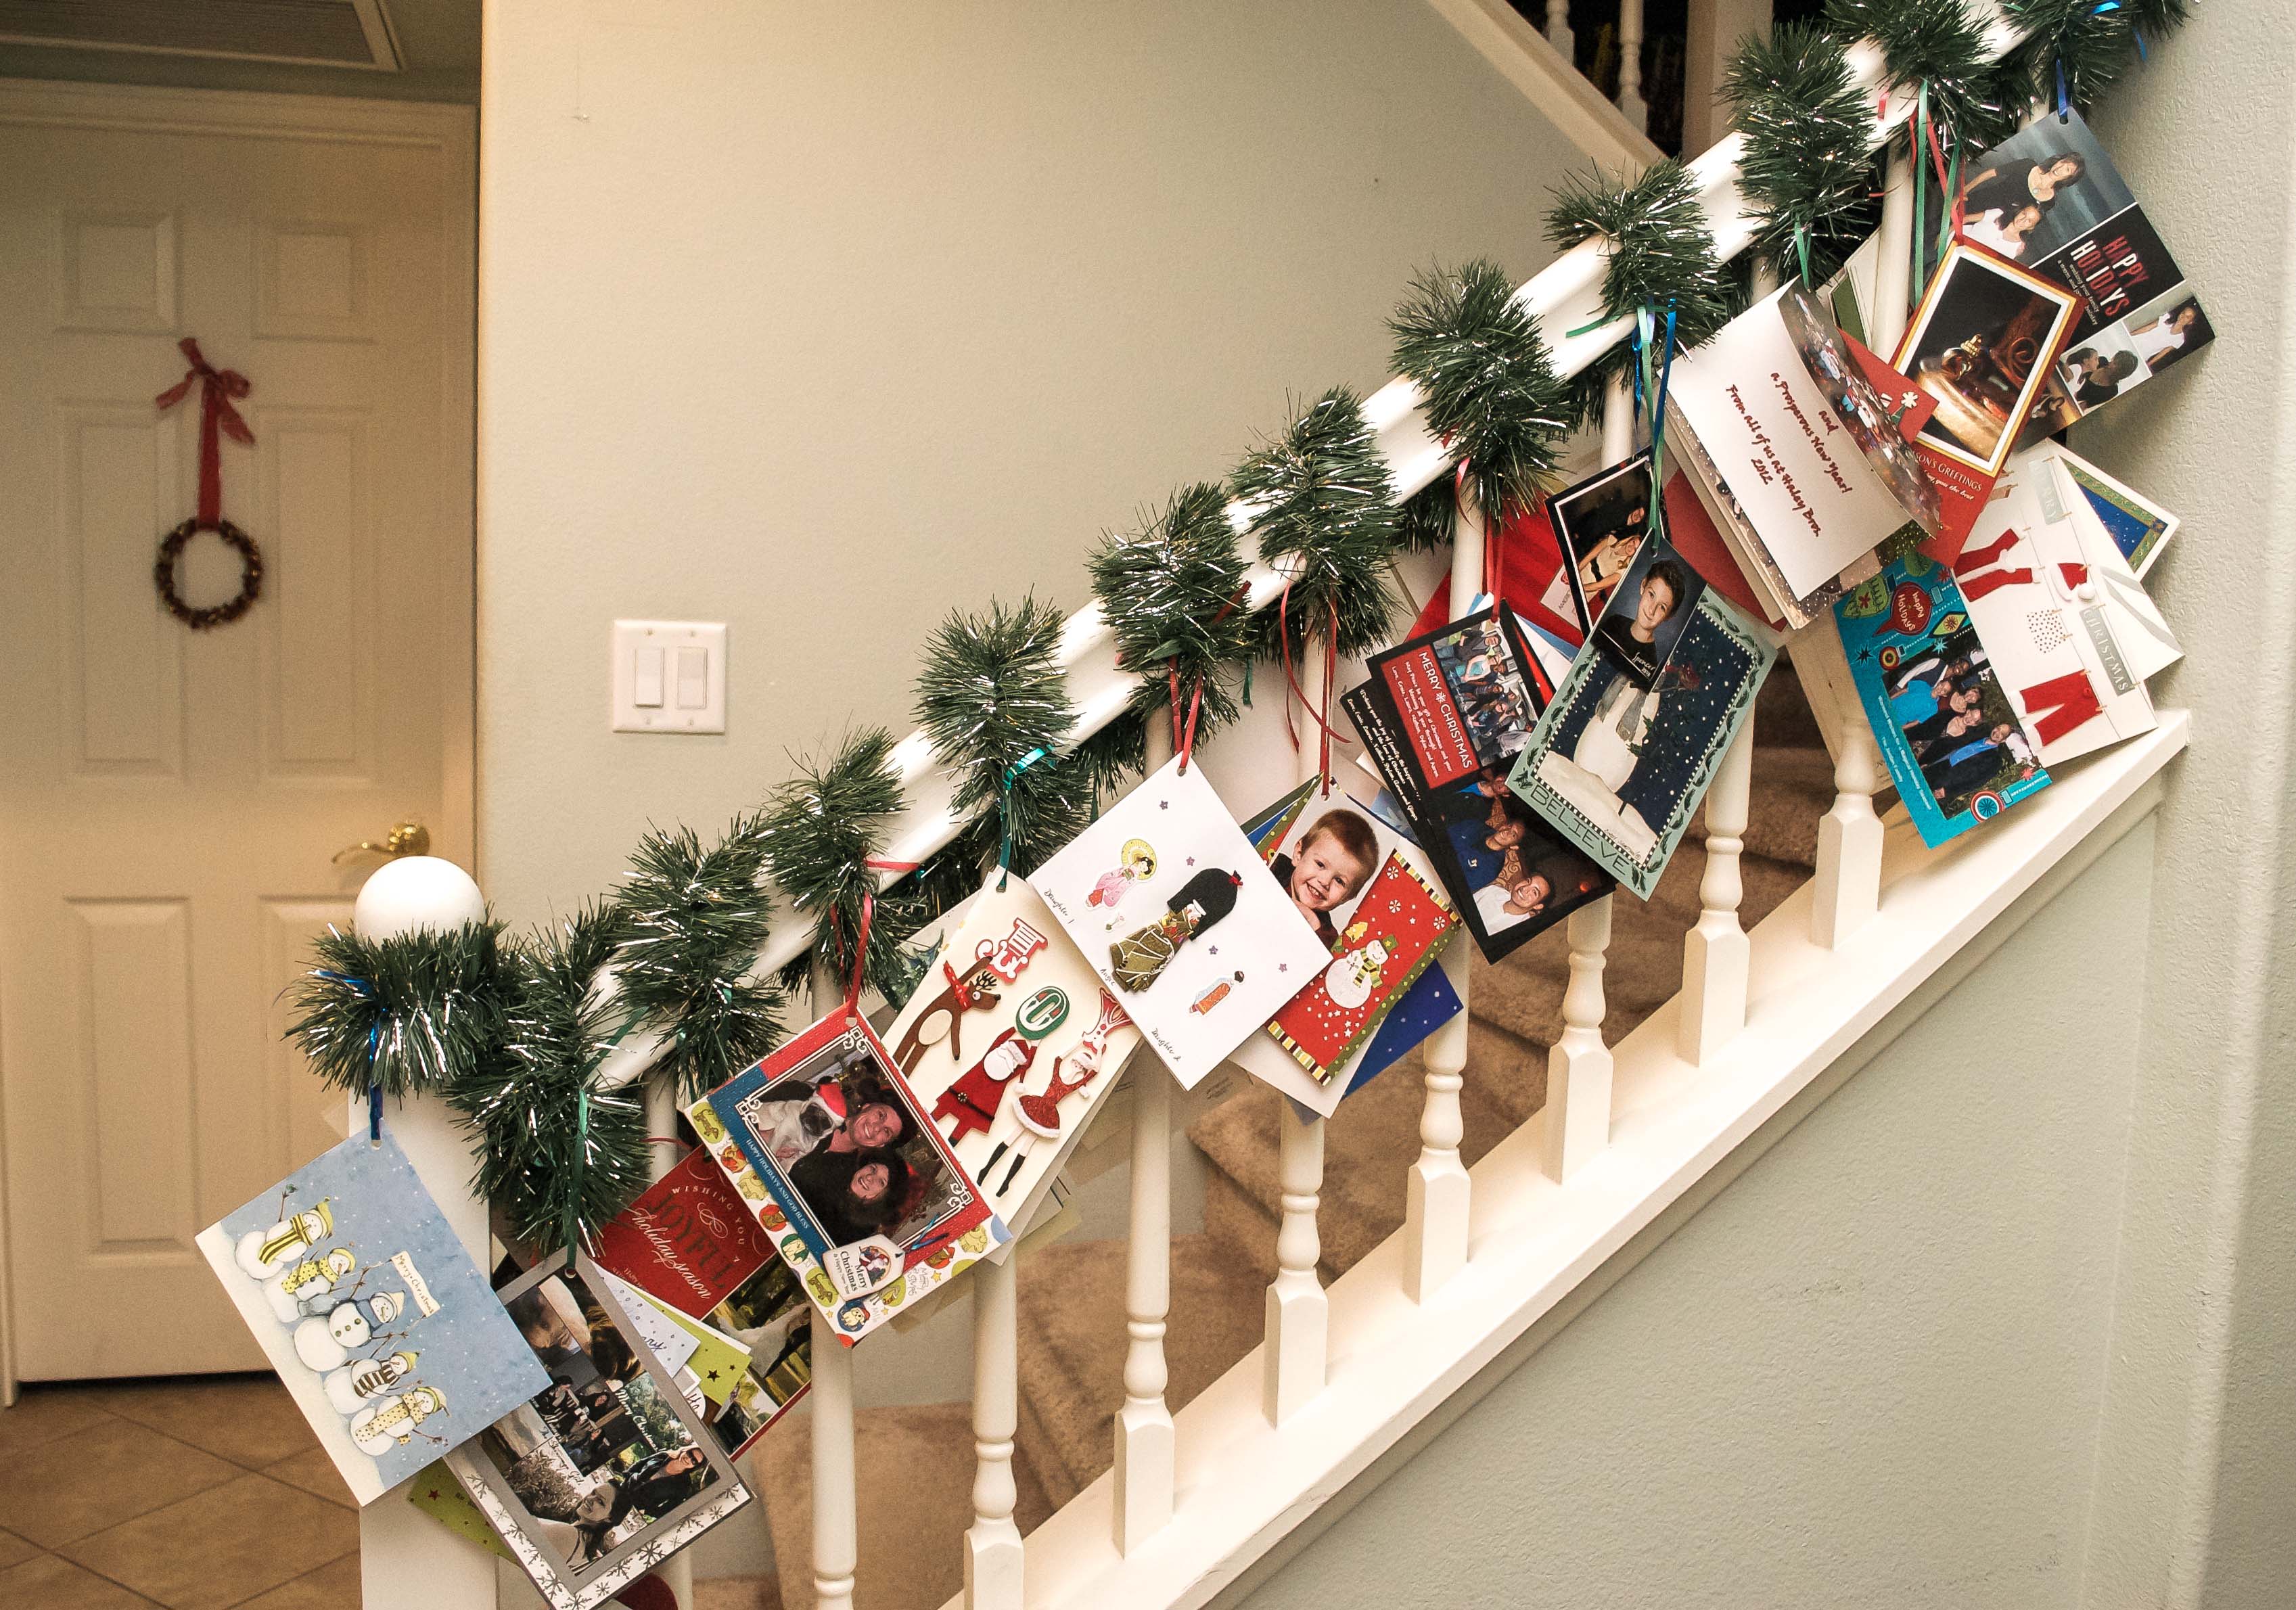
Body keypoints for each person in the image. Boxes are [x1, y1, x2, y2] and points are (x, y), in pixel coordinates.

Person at [1270, 808, 1378, 946]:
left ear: (1347, 897)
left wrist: (1312, 921)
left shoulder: (1326, 936)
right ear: (1299, 854)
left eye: (1339, 881)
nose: (1325, 881)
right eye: (1320, 864)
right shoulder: (1274, 866)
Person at [789, 1147, 911, 1247]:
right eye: (873, 1169)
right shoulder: (833, 1166)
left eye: (881, 1182)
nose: (870, 1177)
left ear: (884, 1198)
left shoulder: (859, 1233)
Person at [1593, 559, 1688, 687]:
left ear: (1669, 616)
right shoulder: (1614, 622)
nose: (1651, 610)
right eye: (1651, 595)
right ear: (1643, 586)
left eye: (1662, 608)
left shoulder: (1650, 665)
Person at [1959, 152, 2086, 220]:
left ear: (2069, 179)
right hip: (1978, 200)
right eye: (2063, 162)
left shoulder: (2049, 202)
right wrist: (1965, 190)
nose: (2061, 167)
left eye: (2068, 170)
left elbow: (2024, 221)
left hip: (1989, 221)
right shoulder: (2027, 165)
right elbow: (1992, 173)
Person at [2129, 302, 2205, 369]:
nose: (2183, 317)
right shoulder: (2166, 318)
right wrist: (2130, 335)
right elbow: (2147, 328)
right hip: (2134, 341)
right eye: (2183, 313)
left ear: (2190, 322)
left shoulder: (2179, 340)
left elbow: (2163, 352)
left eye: (2188, 317)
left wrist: (2149, 364)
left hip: (2143, 354)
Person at [2066, 347, 2140, 409]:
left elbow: (2083, 406)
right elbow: (2072, 365)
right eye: (2114, 360)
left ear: (2121, 372)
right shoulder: (2101, 361)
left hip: (2071, 400)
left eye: (2115, 363)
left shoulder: (2112, 391)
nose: (2111, 362)